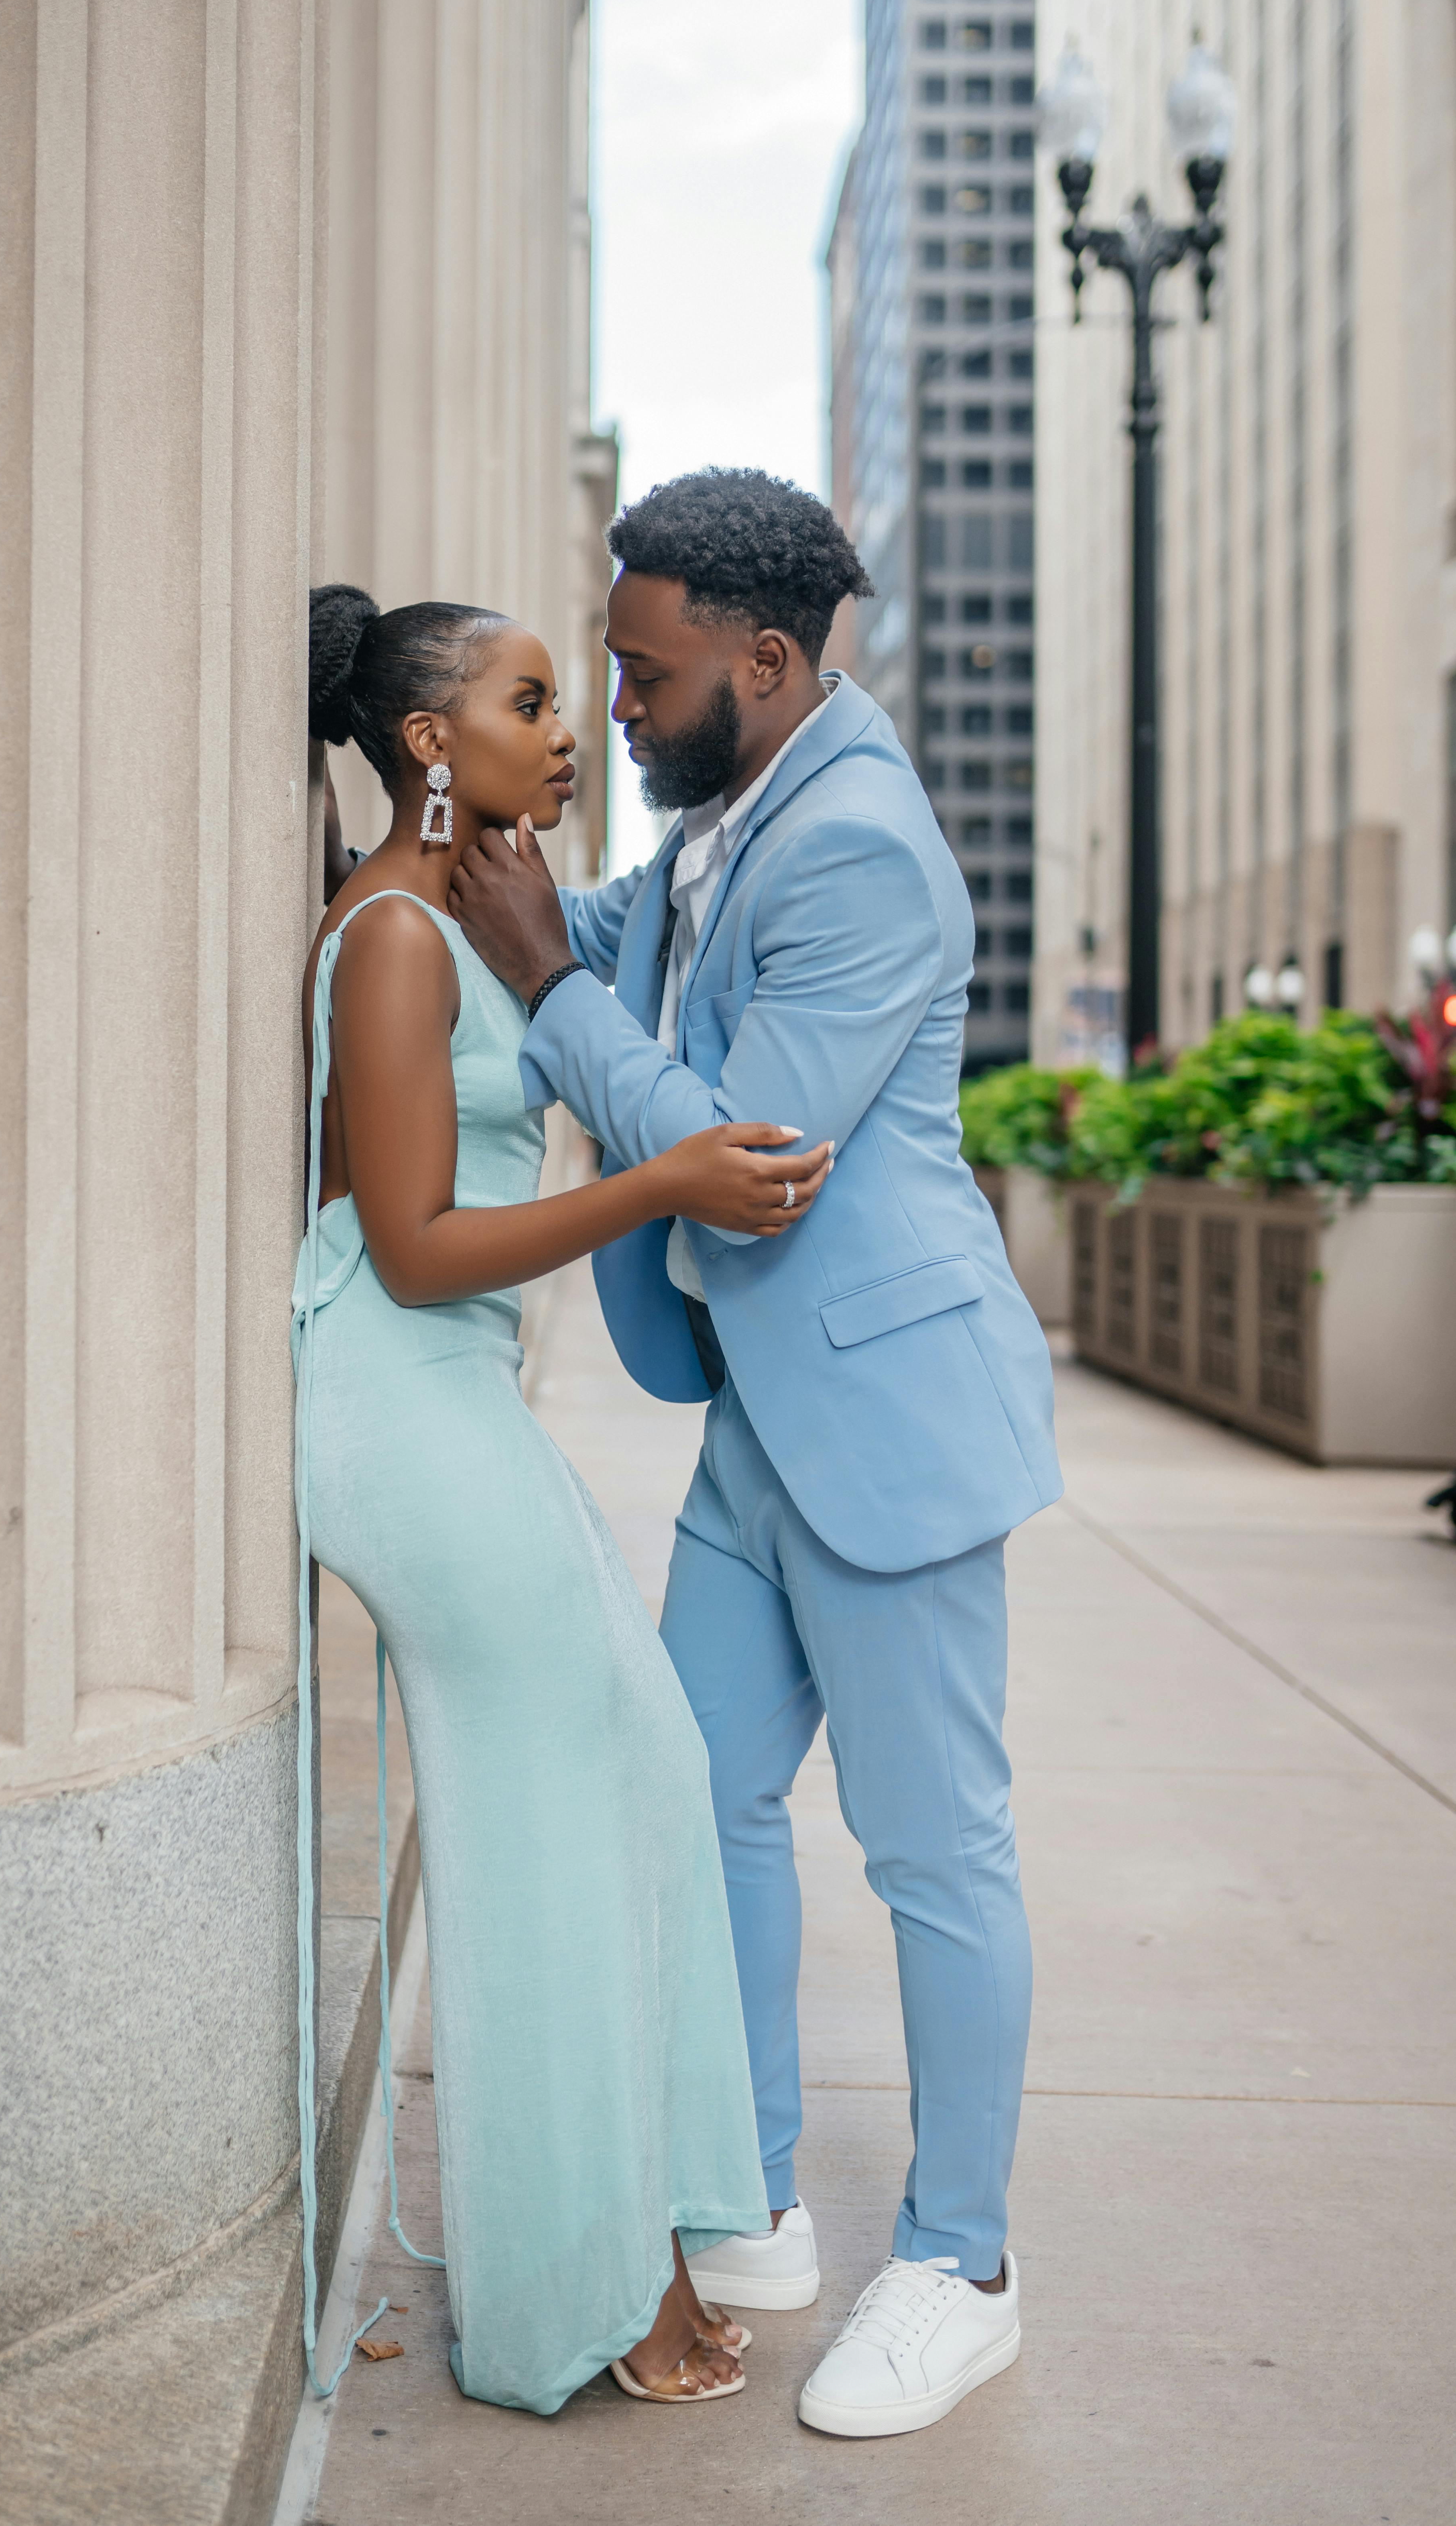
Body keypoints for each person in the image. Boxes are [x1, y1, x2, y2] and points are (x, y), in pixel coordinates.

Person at [446, 466, 1063, 2442]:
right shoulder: (728, 821)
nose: (614, 708)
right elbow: (587, 919)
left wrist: (549, 983)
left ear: (767, 659)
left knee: (929, 1848)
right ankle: (758, 2195)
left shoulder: (859, 848)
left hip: (879, 1413)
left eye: (639, 672)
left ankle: (961, 2264)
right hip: (761, 1433)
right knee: (696, 1789)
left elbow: (748, 1164)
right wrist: (442, 835)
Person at [295, 583, 834, 2416]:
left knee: (653, 1778)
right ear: (429, 743)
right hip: (396, 1395)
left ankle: (648, 2240)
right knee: (538, 1847)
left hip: (458, 1403)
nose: (565, 727)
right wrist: (659, 1175)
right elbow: (417, 1246)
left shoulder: (464, 914)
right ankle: (562, 2305)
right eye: (529, 699)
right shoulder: (386, 937)